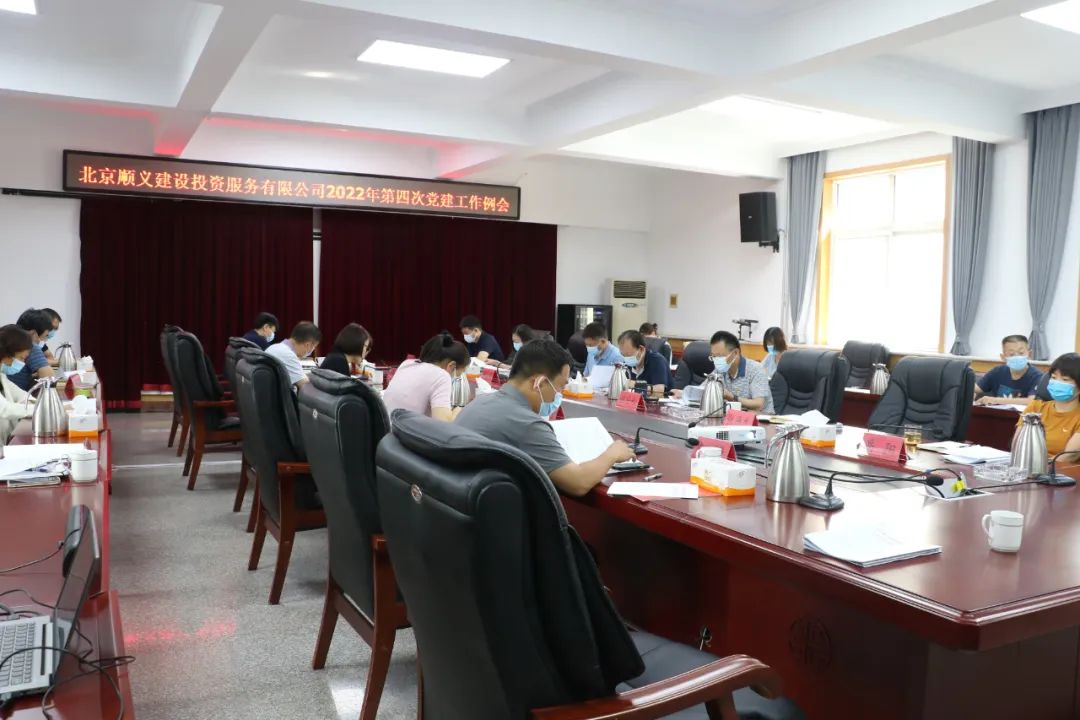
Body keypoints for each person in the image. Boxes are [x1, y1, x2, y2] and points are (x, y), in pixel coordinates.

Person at [456, 339, 635, 497]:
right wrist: (612, 454)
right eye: (560, 387)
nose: (559, 395)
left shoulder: (477, 403)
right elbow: (578, 483)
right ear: (540, 383)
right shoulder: (527, 424)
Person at [674, 331, 774, 413]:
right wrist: (682, 393)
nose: (716, 360)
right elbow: (702, 390)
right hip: (732, 419)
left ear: (735, 353)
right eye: (714, 357)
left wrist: (732, 397)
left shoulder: (756, 370)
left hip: (761, 422)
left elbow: (759, 404)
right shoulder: (720, 370)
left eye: (720, 356)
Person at [383, 332, 469, 422]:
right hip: (407, 430)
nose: (456, 378)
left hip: (387, 427)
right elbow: (443, 423)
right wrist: (459, 411)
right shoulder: (441, 376)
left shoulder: (406, 364)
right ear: (451, 366)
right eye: (459, 374)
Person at [1017, 352, 1080, 458]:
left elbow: (1069, 457)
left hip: (1060, 467)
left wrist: (1040, 465)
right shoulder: (1035, 407)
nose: (1057, 383)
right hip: (1027, 462)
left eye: (1065, 379)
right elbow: (1019, 442)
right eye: (1054, 377)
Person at [975, 334, 1043, 406]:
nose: (1017, 357)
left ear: (1029, 354)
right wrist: (971, 393)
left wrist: (995, 400)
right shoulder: (997, 372)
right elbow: (976, 389)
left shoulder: (1038, 376)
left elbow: (1032, 401)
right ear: (1003, 357)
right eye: (1011, 354)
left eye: (1021, 353)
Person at [0, 324, 34, 444]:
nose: (22, 363)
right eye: (20, 358)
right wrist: (39, 409)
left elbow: (22, 396)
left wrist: (39, 403)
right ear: (6, 353)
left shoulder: (2, 376)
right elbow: (5, 409)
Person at [9, 309, 55, 391]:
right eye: (45, 336)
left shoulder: (9, 339)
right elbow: (49, 379)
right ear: (33, 333)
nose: (44, 341)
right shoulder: (30, 346)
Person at [617, 329, 672, 396]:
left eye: (628, 355)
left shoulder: (657, 360)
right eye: (623, 355)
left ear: (641, 349)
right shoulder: (629, 363)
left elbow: (659, 391)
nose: (626, 359)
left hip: (662, 401)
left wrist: (635, 384)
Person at [266, 321, 321, 388]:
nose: (312, 350)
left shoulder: (274, 347)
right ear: (307, 345)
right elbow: (305, 386)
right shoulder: (288, 354)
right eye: (314, 347)